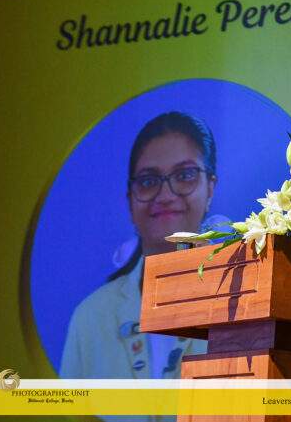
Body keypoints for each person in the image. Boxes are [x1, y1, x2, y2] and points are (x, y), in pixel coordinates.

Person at [60, 111, 216, 387]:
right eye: (148, 181)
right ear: (130, 200)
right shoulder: (91, 317)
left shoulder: (241, 305)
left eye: (185, 175)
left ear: (210, 190)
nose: (165, 195)